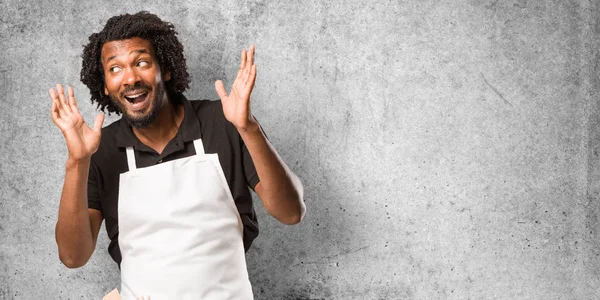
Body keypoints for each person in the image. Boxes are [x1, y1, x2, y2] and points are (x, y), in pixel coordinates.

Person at [49, 11, 305, 299]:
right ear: (106, 87)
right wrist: (77, 162)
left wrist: (248, 127)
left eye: (141, 62)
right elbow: (73, 257)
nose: (130, 78)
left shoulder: (223, 123)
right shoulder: (100, 150)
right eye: (115, 69)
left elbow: (291, 212)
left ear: (165, 69)